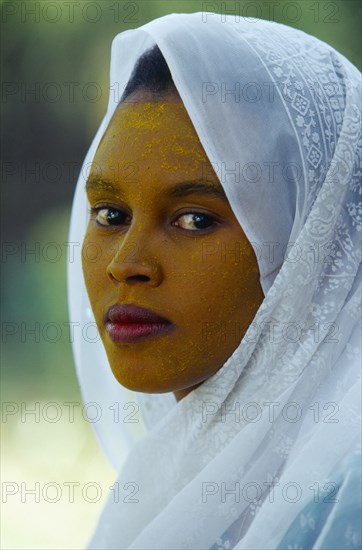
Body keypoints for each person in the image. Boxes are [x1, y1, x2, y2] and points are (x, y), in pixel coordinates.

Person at [67, 12, 361, 550]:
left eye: (194, 219)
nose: (126, 263)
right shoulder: (176, 483)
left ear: (310, 245)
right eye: (109, 214)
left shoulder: (344, 498)